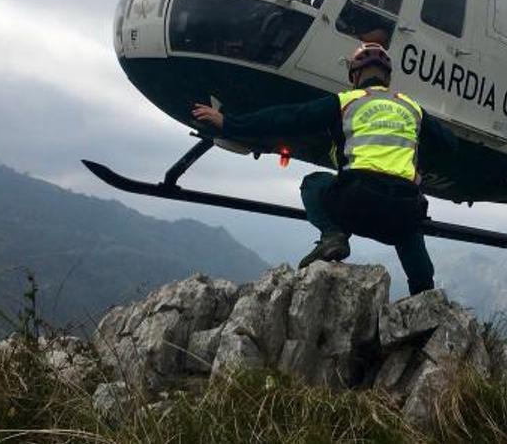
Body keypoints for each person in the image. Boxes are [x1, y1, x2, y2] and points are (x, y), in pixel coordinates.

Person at [191, 43, 457, 296]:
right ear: (387, 78)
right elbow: (449, 144)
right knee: (410, 230)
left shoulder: (347, 101)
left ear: (355, 76)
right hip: (401, 210)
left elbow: (287, 117)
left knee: (314, 183)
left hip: (356, 202)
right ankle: (425, 295)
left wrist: (230, 124)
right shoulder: (411, 107)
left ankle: (333, 236)